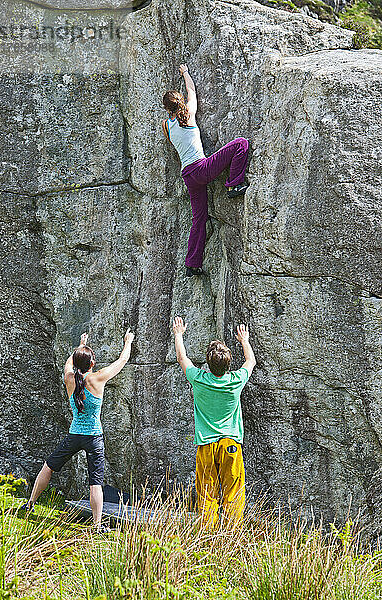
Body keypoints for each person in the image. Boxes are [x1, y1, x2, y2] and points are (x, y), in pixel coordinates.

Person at [21, 329, 134, 532]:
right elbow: (122, 360)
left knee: (48, 466)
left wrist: (80, 346)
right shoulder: (98, 378)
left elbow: (69, 364)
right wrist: (127, 341)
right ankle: (97, 526)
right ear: (92, 364)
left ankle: (29, 505)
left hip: (74, 435)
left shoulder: (69, 379)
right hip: (94, 438)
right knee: (95, 483)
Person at [162, 64, 250, 278]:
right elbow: (191, 91)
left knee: (199, 219)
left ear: (166, 109)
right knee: (240, 144)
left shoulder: (166, 125)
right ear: (181, 102)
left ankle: (192, 263)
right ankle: (234, 184)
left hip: (188, 176)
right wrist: (185, 72)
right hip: (201, 169)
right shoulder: (189, 113)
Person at [172, 316, 256, 527]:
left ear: (208, 364)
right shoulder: (236, 380)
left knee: (207, 492)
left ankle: (208, 533)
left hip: (206, 445)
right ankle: (231, 533)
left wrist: (179, 335)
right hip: (231, 444)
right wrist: (244, 340)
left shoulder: (199, 379)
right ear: (228, 364)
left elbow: (182, 359)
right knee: (233, 491)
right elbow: (250, 362)